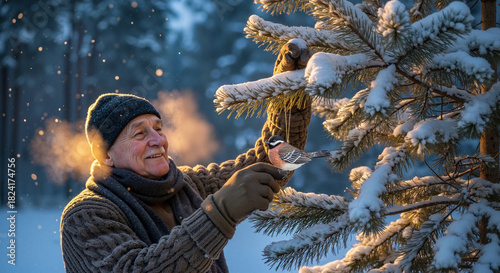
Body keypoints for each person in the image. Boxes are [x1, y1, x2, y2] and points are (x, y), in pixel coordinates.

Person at [60, 42, 312, 272]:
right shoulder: (85, 215)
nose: (158, 140)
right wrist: (220, 213)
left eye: (158, 128)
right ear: (106, 156)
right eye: (139, 134)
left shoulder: (186, 186)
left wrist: (289, 96)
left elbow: (273, 165)